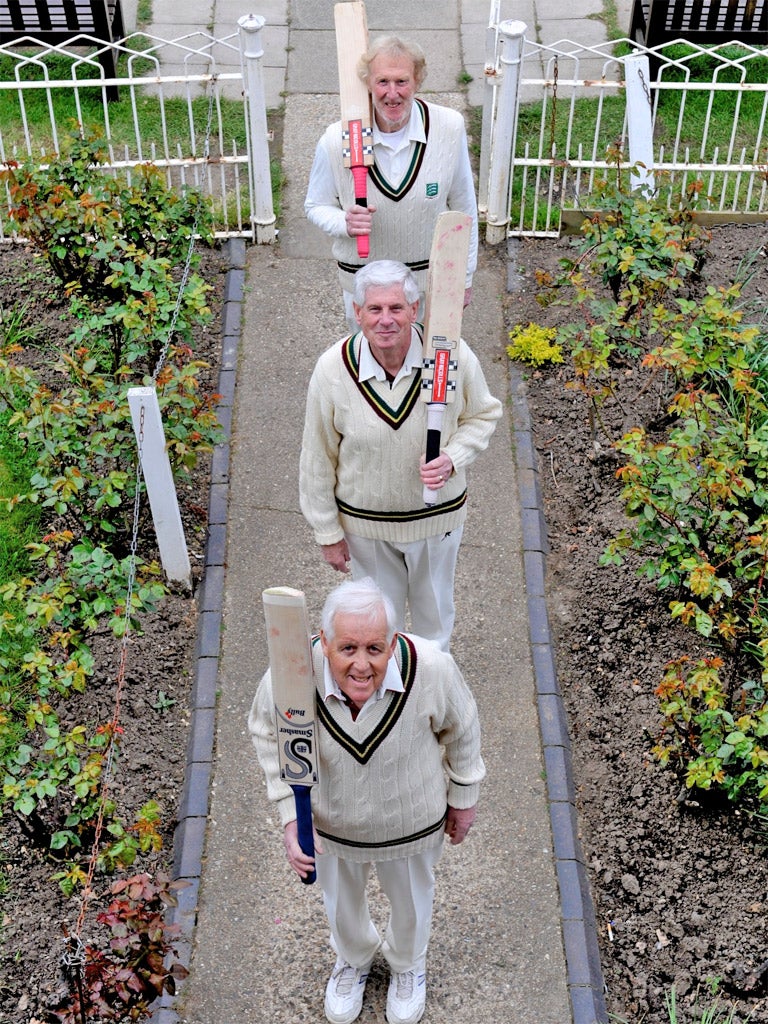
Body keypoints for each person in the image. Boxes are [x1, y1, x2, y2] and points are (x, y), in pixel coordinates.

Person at [248, 577, 485, 1024]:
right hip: (332, 825)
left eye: (375, 648)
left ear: (393, 642)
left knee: (413, 901)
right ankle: (353, 959)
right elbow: (266, 730)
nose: (361, 665)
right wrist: (288, 815)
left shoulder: (432, 668)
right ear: (324, 642)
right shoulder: (292, 670)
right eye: (348, 649)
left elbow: (464, 727)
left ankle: (407, 964)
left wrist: (464, 796)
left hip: (411, 822)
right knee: (340, 901)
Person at [298, 260, 502, 652]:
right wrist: (327, 532)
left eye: (396, 308)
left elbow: (483, 413)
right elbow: (317, 456)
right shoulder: (331, 370)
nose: (385, 320)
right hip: (365, 527)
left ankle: (431, 697)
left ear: (415, 310)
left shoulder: (451, 353)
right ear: (357, 313)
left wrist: (453, 457)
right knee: (375, 631)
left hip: (435, 519)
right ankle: (389, 697)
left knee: (434, 623)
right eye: (374, 309)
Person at [305, 34, 478, 328]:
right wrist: (343, 223)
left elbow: (464, 207)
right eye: (383, 82)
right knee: (367, 367)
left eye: (402, 82)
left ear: (417, 81)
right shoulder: (336, 139)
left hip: (425, 286)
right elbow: (315, 205)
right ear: (368, 84)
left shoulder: (449, 128)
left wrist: (464, 278)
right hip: (364, 288)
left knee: (423, 367)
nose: (392, 93)